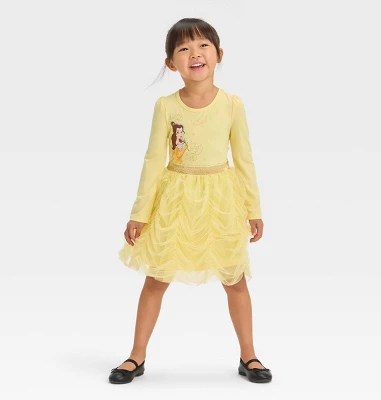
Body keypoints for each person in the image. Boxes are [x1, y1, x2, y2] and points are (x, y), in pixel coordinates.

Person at [109, 17, 272, 384]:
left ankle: (249, 355)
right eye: (183, 49)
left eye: (203, 46)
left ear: (219, 54)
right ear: (172, 63)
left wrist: (253, 209)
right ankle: (136, 355)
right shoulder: (166, 106)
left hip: (220, 201)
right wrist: (140, 214)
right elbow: (154, 160)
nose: (195, 54)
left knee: (235, 279)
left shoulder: (232, 104)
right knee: (156, 278)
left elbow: (244, 159)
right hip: (176, 200)